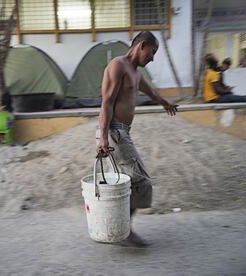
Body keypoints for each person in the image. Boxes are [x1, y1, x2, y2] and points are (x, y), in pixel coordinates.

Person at [96, 31, 178, 246]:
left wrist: (164, 103)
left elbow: (150, 91)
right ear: (142, 46)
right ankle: (125, 230)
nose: (152, 58)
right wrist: (103, 137)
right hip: (114, 131)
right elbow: (106, 102)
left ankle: (114, 227)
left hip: (123, 131)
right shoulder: (118, 65)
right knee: (139, 179)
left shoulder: (135, 73)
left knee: (124, 184)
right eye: (152, 52)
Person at [203, 55, 246, 134]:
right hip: (215, 99)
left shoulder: (209, 72)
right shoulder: (214, 74)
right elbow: (218, 90)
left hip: (213, 98)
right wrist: (228, 91)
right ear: (215, 64)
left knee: (239, 100)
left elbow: (218, 86)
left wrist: (227, 90)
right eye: (218, 64)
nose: (219, 66)